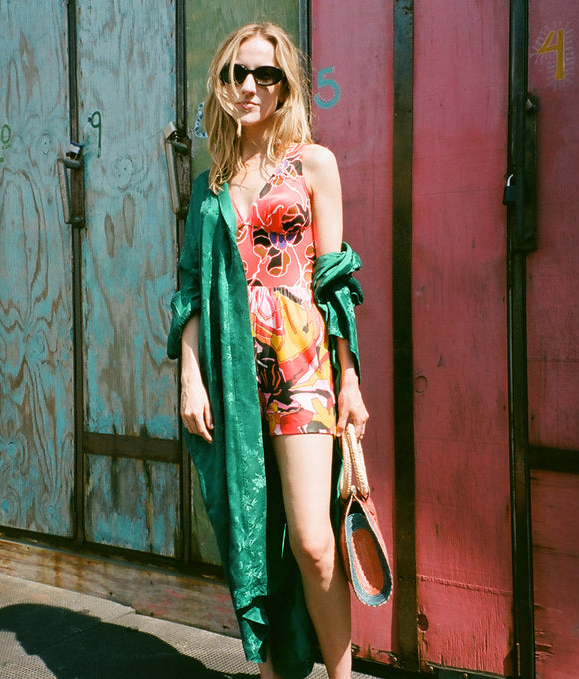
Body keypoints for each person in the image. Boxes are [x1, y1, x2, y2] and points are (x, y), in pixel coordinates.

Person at [167, 22, 368, 679]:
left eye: (265, 75)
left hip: (303, 368)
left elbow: (336, 280)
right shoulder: (210, 184)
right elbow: (192, 287)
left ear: (286, 89)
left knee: (312, 541)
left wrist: (349, 378)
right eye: (236, 74)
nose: (249, 86)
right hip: (232, 374)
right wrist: (189, 377)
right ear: (221, 85)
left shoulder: (314, 163)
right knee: (253, 533)